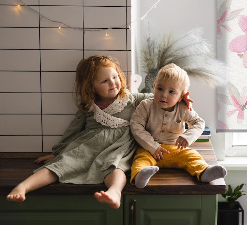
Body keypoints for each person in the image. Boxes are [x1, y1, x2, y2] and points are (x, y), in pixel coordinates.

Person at [6, 55, 151, 209]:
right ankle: (24, 186)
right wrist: (57, 152)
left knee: (115, 166)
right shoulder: (89, 106)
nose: (113, 83)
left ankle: (114, 193)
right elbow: (73, 130)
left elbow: (156, 99)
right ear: (91, 86)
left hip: (119, 146)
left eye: (115, 77)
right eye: (104, 81)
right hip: (89, 145)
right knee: (63, 163)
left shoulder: (132, 99)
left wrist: (179, 95)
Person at [130, 63, 227, 188]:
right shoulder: (146, 105)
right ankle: (140, 175)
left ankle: (203, 172)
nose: (164, 94)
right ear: (154, 86)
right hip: (150, 150)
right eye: (160, 88)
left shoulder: (183, 108)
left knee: (192, 156)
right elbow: (136, 125)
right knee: (140, 159)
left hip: (175, 149)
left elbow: (199, 123)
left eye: (171, 92)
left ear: (182, 96)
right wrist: (152, 146)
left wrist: (188, 137)